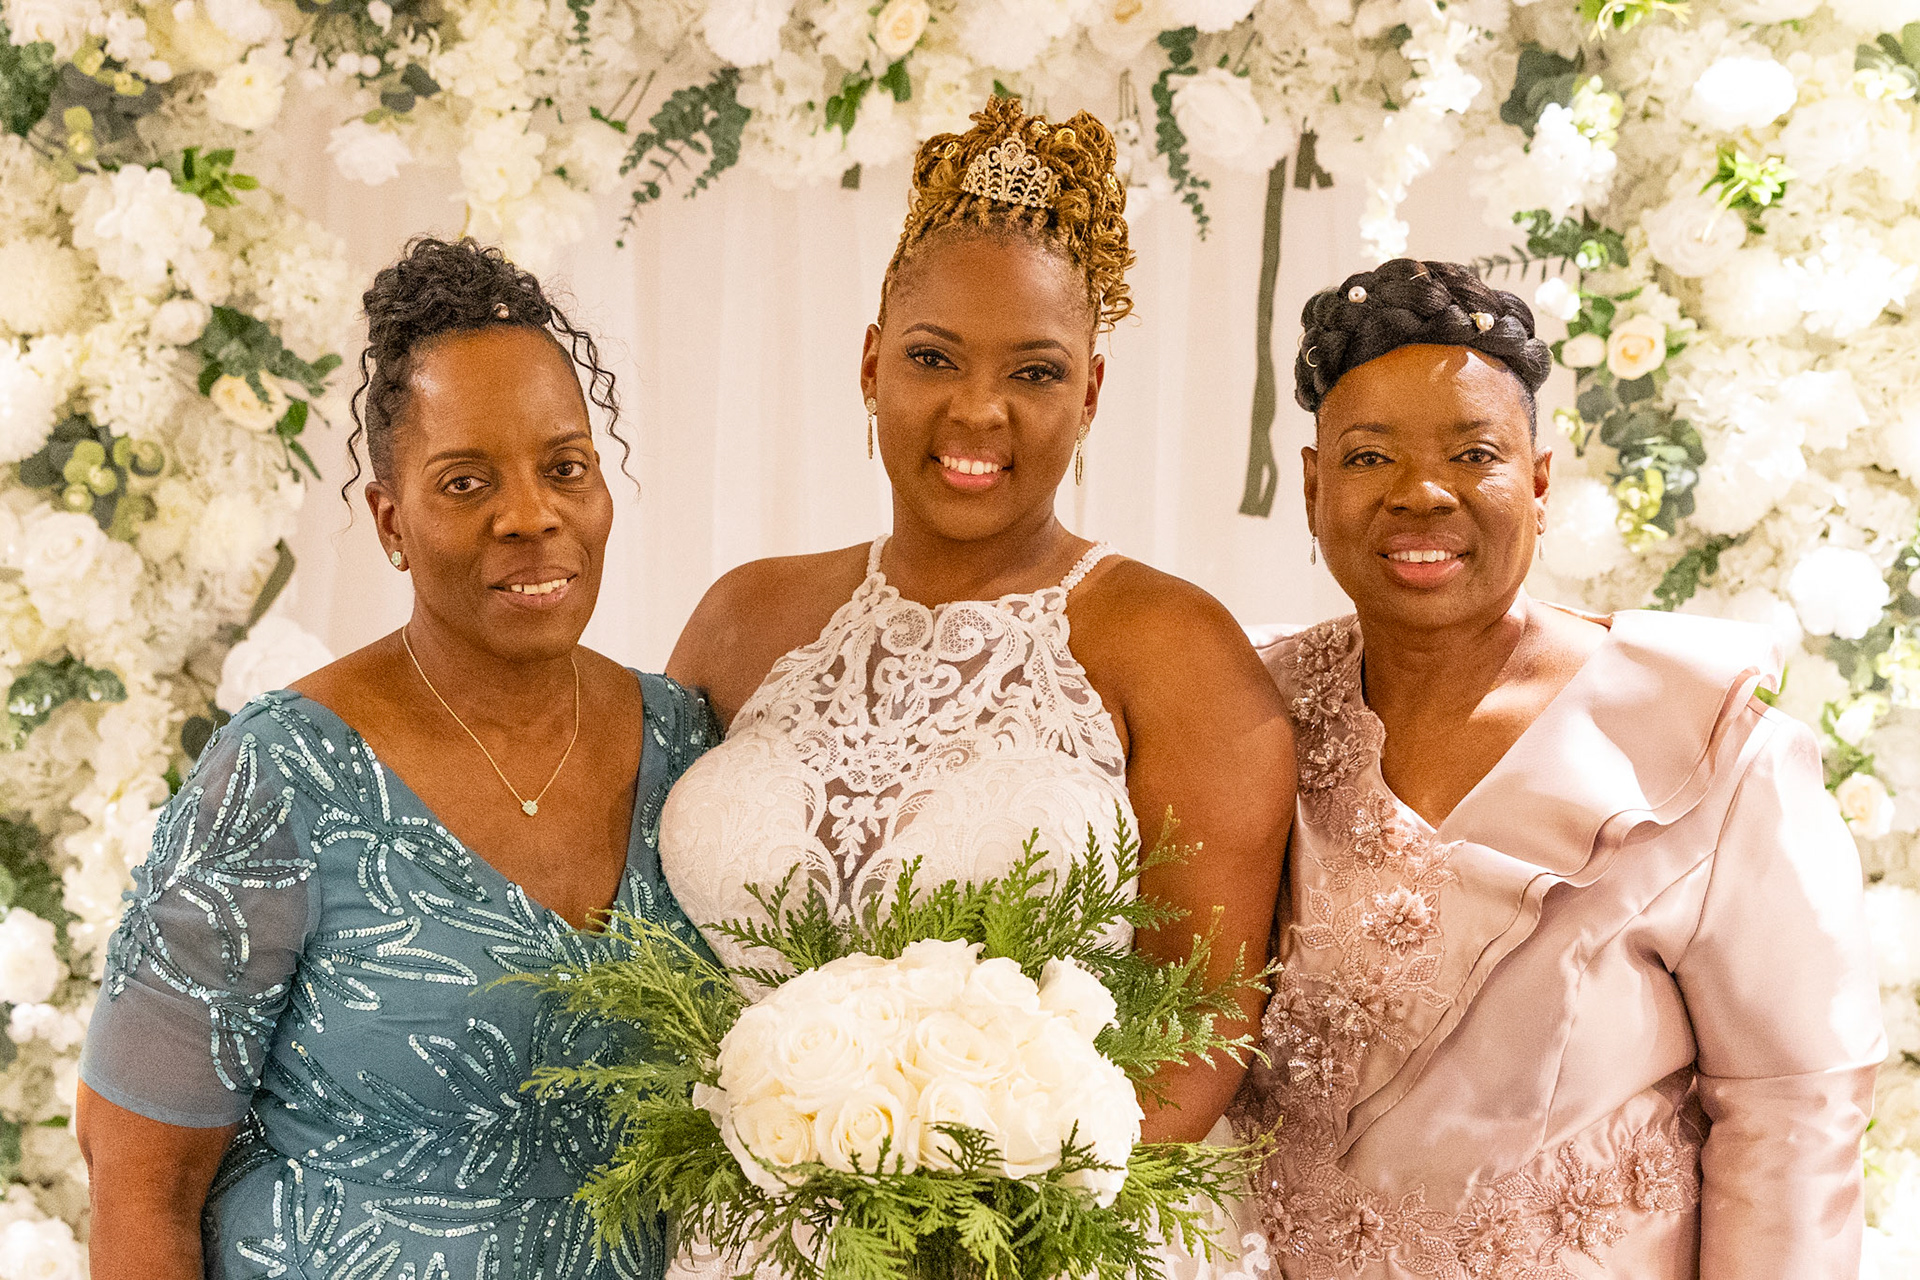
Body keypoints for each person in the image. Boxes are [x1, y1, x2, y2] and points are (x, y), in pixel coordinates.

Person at [659, 95, 1294, 1161]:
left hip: (1045, 1222)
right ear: (871, 364)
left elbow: (1203, 1026)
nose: (977, 411)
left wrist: (996, 1214)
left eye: (1034, 372)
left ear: (1091, 393)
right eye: (933, 358)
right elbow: (640, 947)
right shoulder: (742, 617)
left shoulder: (1177, 647)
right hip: (734, 1212)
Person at [76, 238, 719, 1280]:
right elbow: (137, 1183)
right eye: (465, 483)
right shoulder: (283, 774)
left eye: (565, 468)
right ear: (391, 522)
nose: (531, 515)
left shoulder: (687, 744)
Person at [1230, 257, 1885, 1278]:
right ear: (1314, 486)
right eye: (1369, 457)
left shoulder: (1709, 747)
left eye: (1473, 453)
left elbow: (1794, 1114)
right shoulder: (1247, 717)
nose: (1421, 492)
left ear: (1539, 483)